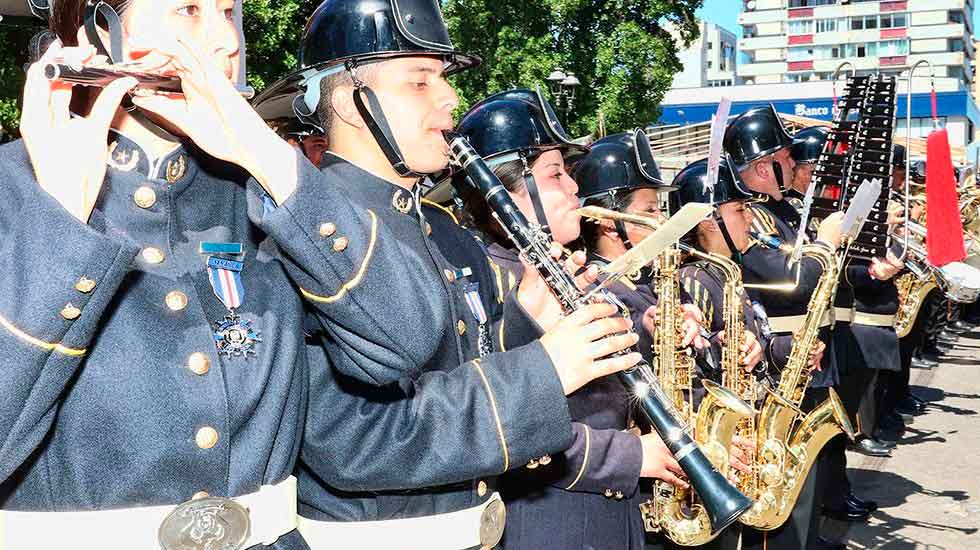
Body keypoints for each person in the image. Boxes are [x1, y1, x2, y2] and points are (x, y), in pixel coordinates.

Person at [253, 3, 644, 549]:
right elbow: (355, 444)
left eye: (442, 77)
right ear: (347, 102)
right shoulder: (303, 238)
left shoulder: (446, 229)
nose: (449, 100)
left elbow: (466, 374)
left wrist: (526, 325)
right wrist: (547, 369)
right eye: (419, 81)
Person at [449, 90, 688, 550]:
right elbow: (504, 428)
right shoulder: (488, 285)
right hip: (546, 523)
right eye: (556, 173)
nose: (576, 188)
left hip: (609, 517)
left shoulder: (569, 274)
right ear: (503, 191)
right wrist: (630, 455)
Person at [668, 156, 825, 550]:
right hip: (729, 444)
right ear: (708, 221)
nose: (749, 219)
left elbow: (756, 346)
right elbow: (693, 372)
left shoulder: (728, 271)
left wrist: (789, 350)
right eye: (739, 210)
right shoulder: (696, 278)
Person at [724, 105, 844, 550]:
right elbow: (789, 281)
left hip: (798, 347)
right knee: (781, 471)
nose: (794, 166)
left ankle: (808, 535)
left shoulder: (783, 210)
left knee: (803, 474)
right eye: (786, 158)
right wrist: (827, 243)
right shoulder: (752, 215)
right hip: (774, 354)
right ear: (761, 166)